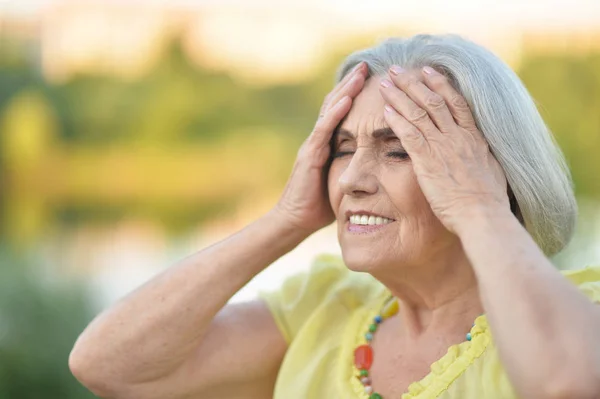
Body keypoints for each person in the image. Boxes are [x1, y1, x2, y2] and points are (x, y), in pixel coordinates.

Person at [68, 34, 600, 399]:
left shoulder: (585, 312)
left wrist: (478, 206)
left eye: (399, 151)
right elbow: (107, 368)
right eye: (343, 149)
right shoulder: (324, 309)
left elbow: (565, 382)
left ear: (487, 169)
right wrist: (286, 221)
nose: (350, 179)